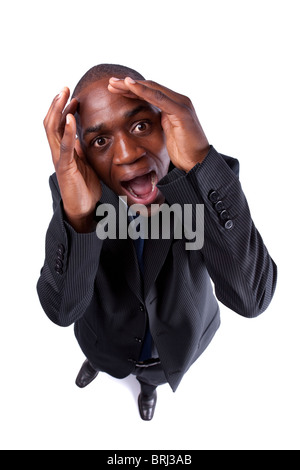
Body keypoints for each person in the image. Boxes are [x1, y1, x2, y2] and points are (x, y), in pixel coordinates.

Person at [37, 63, 277, 421]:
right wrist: (80, 216)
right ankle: (99, 365)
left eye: (140, 125)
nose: (127, 154)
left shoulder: (204, 185)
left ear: (166, 123)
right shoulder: (81, 195)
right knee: (104, 359)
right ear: (85, 156)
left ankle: (147, 389)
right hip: (105, 341)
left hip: (177, 347)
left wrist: (200, 162)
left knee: (153, 379)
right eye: (101, 141)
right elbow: (63, 310)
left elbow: (252, 298)